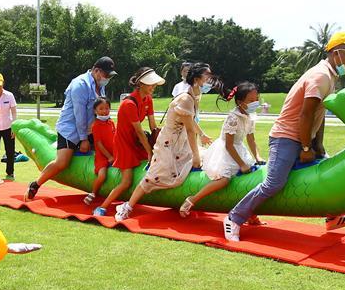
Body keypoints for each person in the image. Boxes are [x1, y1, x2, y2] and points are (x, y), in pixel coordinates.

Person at [224, 31, 345, 242]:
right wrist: (305, 148)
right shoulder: (320, 75)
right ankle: (233, 218)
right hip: (286, 137)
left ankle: (333, 217)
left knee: (326, 175)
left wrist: (317, 145)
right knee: (273, 183)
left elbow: (318, 115)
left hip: (302, 138)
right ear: (336, 53)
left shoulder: (330, 75)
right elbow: (306, 113)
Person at [114, 63, 216, 222]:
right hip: (169, 143)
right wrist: (195, 154)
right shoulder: (185, 98)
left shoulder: (195, 95)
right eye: (207, 76)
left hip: (180, 140)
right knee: (153, 176)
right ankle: (127, 206)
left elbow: (189, 121)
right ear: (197, 79)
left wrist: (201, 134)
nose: (210, 79)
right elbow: (189, 128)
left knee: (193, 163)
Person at [25, 56, 117, 200]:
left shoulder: (101, 85)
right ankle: (35, 184)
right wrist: (83, 140)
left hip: (89, 129)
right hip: (71, 130)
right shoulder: (80, 85)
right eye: (106, 75)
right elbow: (79, 115)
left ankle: (99, 190)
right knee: (62, 162)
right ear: (96, 70)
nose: (107, 79)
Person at [181, 82, 265, 218]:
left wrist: (258, 157)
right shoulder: (233, 118)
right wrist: (242, 164)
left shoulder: (251, 116)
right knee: (224, 180)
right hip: (226, 151)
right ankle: (193, 199)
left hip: (239, 149)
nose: (255, 103)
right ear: (240, 102)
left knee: (248, 180)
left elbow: (251, 139)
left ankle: (250, 215)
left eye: (256, 99)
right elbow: (229, 145)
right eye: (251, 101)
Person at [93, 67, 164, 216]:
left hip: (137, 141)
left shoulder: (148, 100)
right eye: (150, 84)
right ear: (141, 84)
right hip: (124, 144)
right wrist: (149, 153)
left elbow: (153, 126)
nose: (153, 87)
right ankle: (103, 206)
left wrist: (159, 141)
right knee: (126, 182)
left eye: (154, 84)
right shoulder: (129, 104)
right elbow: (138, 131)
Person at [84, 97, 115, 210]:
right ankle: (93, 193)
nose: (104, 111)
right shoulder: (96, 125)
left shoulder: (111, 122)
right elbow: (99, 144)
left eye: (107, 108)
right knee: (102, 175)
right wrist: (109, 157)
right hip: (102, 156)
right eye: (101, 109)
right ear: (95, 111)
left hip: (114, 153)